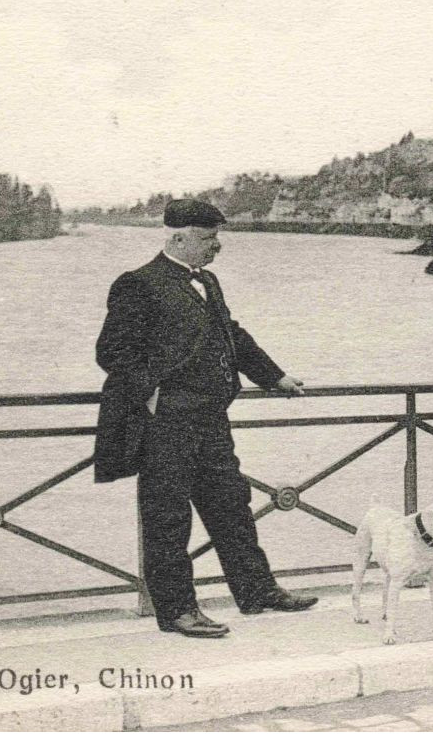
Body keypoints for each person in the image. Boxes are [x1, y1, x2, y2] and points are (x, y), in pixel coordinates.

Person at [94, 198, 318, 638]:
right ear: (178, 237)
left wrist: (274, 377)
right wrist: (153, 394)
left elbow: (232, 334)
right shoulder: (137, 284)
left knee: (232, 507)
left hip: (211, 419)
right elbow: (112, 352)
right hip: (166, 426)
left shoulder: (208, 282)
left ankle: (257, 591)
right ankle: (177, 610)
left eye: (217, 237)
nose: (217, 246)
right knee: (169, 519)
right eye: (207, 238)